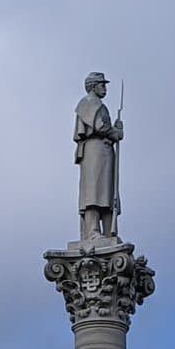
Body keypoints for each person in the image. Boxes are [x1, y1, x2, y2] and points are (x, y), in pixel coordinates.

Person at [74, 71, 123, 243]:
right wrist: (115, 132)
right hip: (95, 150)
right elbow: (101, 127)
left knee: (106, 192)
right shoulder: (89, 104)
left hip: (103, 151)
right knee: (94, 192)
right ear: (93, 86)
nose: (105, 88)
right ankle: (92, 231)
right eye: (102, 85)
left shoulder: (97, 104)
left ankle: (109, 230)